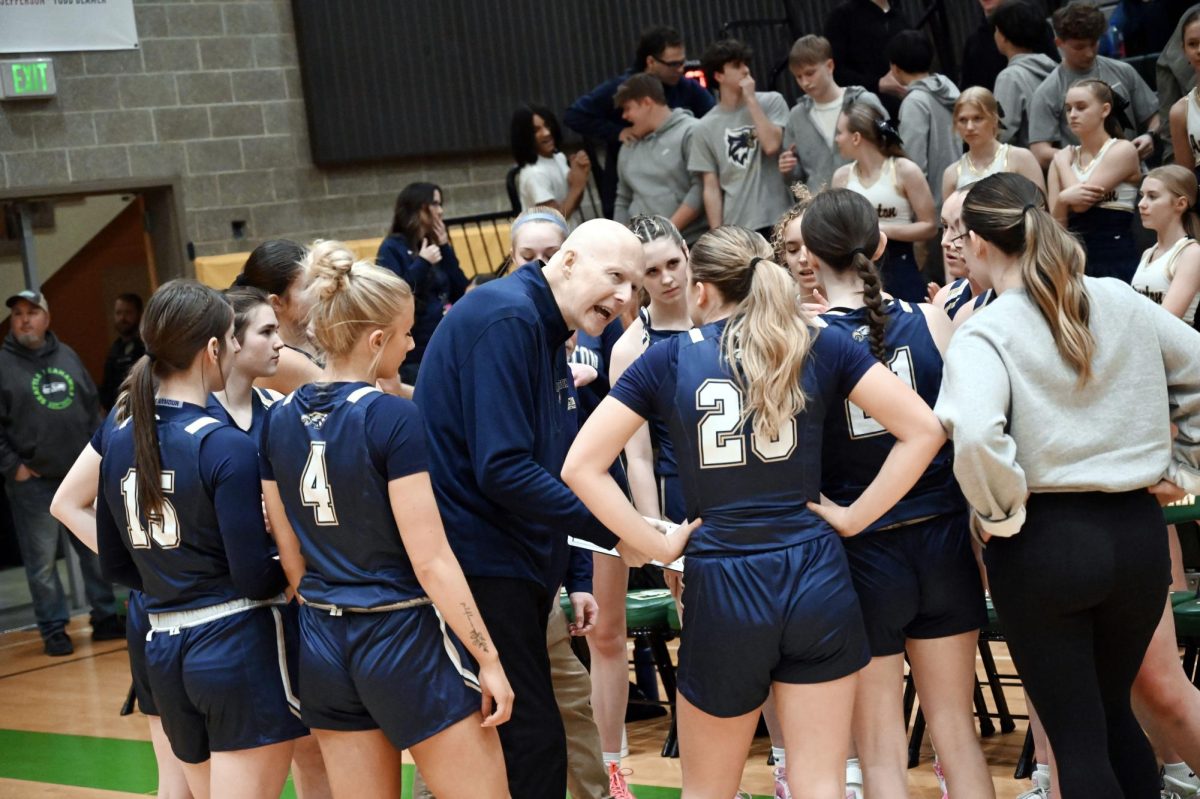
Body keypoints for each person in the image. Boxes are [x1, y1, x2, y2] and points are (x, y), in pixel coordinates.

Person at [562, 224, 946, 798]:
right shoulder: (817, 343)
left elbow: (579, 467)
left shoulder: (666, 360)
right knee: (821, 784)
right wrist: (854, 517)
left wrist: (655, 542)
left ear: (701, 290)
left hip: (725, 581)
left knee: (708, 790)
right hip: (817, 575)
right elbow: (923, 430)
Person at [935, 171, 1200, 797]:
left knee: (1078, 737)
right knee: (1111, 719)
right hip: (1136, 536)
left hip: (1043, 540)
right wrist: (1184, 470)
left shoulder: (987, 329)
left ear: (976, 241)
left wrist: (999, 516)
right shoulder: (1118, 297)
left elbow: (973, 434)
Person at [258, 242, 511, 798]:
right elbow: (432, 559)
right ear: (376, 341)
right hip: (400, 634)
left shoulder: (275, 423)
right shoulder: (393, 417)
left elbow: (291, 556)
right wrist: (488, 658)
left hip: (323, 638)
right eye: (405, 333)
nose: (412, 342)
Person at [414, 218, 644, 799]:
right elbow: (504, 469)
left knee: (516, 737)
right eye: (615, 276)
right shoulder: (508, 318)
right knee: (529, 744)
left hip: (514, 567)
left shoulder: (541, 328)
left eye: (632, 287)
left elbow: (551, 462)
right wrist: (619, 530)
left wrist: (589, 556)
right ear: (566, 262)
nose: (623, 297)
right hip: (482, 567)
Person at [807, 189, 993, 799]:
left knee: (882, 750)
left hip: (863, 551)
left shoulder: (803, 339)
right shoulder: (933, 317)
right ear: (882, 245)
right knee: (956, 733)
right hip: (943, 540)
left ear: (808, 255)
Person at [94, 280, 307, 797]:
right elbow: (254, 577)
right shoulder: (224, 444)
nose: (236, 351)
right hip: (234, 648)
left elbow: (116, 566)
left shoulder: (119, 435)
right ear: (213, 349)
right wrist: (299, 565)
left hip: (164, 651)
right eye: (232, 342)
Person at [52, 401, 194, 799]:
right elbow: (64, 504)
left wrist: (141, 571)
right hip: (197, 616)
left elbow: (64, 502)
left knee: (175, 775)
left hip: (154, 611)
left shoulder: (125, 416)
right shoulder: (195, 425)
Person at [0, 289, 121, 657]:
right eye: (17, 313)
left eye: (32, 312)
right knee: (41, 565)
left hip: (79, 477)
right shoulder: (2, 364)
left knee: (95, 551)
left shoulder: (67, 355)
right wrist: (14, 467)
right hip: (34, 483)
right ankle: (54, 628)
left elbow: (91, 409)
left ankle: (104, 618)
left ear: (46, 318)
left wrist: (100, 459)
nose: (24, 319)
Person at [565, 26, 715, 219]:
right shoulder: (624, 88)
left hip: (677, 195)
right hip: (629, 176)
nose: (681, 70)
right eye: (673, 64)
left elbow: (713, 117)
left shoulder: (688, 110)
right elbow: (574, 115)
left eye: (682, 63)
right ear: (650, 61)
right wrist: (617, 132)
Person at [1027, 1, 1159, 169]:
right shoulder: (1048, 91)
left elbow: (1155, 115)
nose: (1089, 53)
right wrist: (1087, 155)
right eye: (1079, 47)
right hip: (1085, 179)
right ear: (1059, 43)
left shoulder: (1123, 70)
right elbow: (1039, 151)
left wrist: (1150, 136)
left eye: (1094, 43)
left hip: (1133, 171)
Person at [832, 102, 937, 304]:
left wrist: (879, 229)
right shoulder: (842, 177)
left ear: (856, 137)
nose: (836, 139)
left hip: (900, 266)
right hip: (856, 270)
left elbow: (930, 226)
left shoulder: (904, 169)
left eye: (839, 133)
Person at [689, 39, 790, 237]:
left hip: (779, 217)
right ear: (718, 75)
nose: (745, 70)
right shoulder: (704, 127)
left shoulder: (772, 102)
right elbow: (711, 188)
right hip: (738, 224)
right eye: (736, 66)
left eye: (746, 64)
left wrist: (751, 100)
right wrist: (718, 234)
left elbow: (771, 145)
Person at [1047, 79, 1141, 282]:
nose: (1072, 115)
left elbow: (1081, 203)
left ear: (1105, 110)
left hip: (1115, 255)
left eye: (1081, 107)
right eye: (1068, 109)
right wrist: (1063, 200)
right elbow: (1057, 226)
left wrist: (1063, 167)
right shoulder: (1063, 156)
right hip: (1074, 258)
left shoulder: (1122, 149)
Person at [375, 183, 468, 384]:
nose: (440, 211)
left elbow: (461, 290)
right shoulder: (392, 247)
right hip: (415, 351)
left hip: (445, 341)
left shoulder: (433, 243)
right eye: (435, 204)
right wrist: (423, 263)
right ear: (418, 207)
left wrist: (445, 246)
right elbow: (393, 296)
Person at [778, 35, 887, 195]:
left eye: (810, 73)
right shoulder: (796, 116)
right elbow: (795, 181)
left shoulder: (863, 101)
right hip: (823, 209)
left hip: (871, 199)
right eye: (798, 77)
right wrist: (789, 170)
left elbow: (891, 147)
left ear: (829, 66)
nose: (805, 82)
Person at [612, 74, 705, 243]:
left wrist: (666, 233)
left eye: (628, 108)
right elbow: (623, 198)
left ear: (647, 103)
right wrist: (622, 241)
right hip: (642, 248)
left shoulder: (691, 131)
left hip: (691, 241)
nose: (624, 116)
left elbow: (700, 188)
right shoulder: (628, 145)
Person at [231, 239, 323, 395]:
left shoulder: (312, 336)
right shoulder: (280, 358)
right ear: (276, 302)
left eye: (318, 281)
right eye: (308, 287)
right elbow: (352, 398)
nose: (320, 291)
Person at [887, 30, 961, 205]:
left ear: (895, 68)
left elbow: (914, 160)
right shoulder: (950, 89)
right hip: (958, 192)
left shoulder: (915, 102)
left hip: (934, 205)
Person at [941, 87, 1045, 203]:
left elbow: (1040, 212)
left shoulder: (1021, 158)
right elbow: (949, 219)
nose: (969, 127)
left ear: (994, 119)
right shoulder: (951, 174)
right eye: (963, 120)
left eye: (978, 118)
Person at [823, 0, 912, 119]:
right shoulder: (843, 16)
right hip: (866, 115)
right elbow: (834, 71)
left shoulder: (899, 18)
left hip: (907, 108)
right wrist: (877, 83)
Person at [990, 0, 1060, 149]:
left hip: (1030, 165)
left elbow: (1002, 133)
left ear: (1004, 36)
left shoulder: (1010, 77)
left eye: (996, 30)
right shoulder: (1055, 68)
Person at [511, 104, 591, 217]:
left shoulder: (559, 157)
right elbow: (556, 219)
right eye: (536, 130)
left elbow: (573, 203)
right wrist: (577, 186)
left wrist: (580, 175)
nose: (547, 133)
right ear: (524, 136)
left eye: (547, 126)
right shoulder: (534, 174)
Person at [99, 293, 145, 411]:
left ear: (139, 314)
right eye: (118, 313)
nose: (122, 318)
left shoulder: (147, 346)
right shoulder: (115, 349)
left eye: (128, 313)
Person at [1168, 9, 1200, 177]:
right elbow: (1187, 183)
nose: (1199, 50)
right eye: (1192, 44)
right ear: (1184, 50)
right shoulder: (1180, 112)